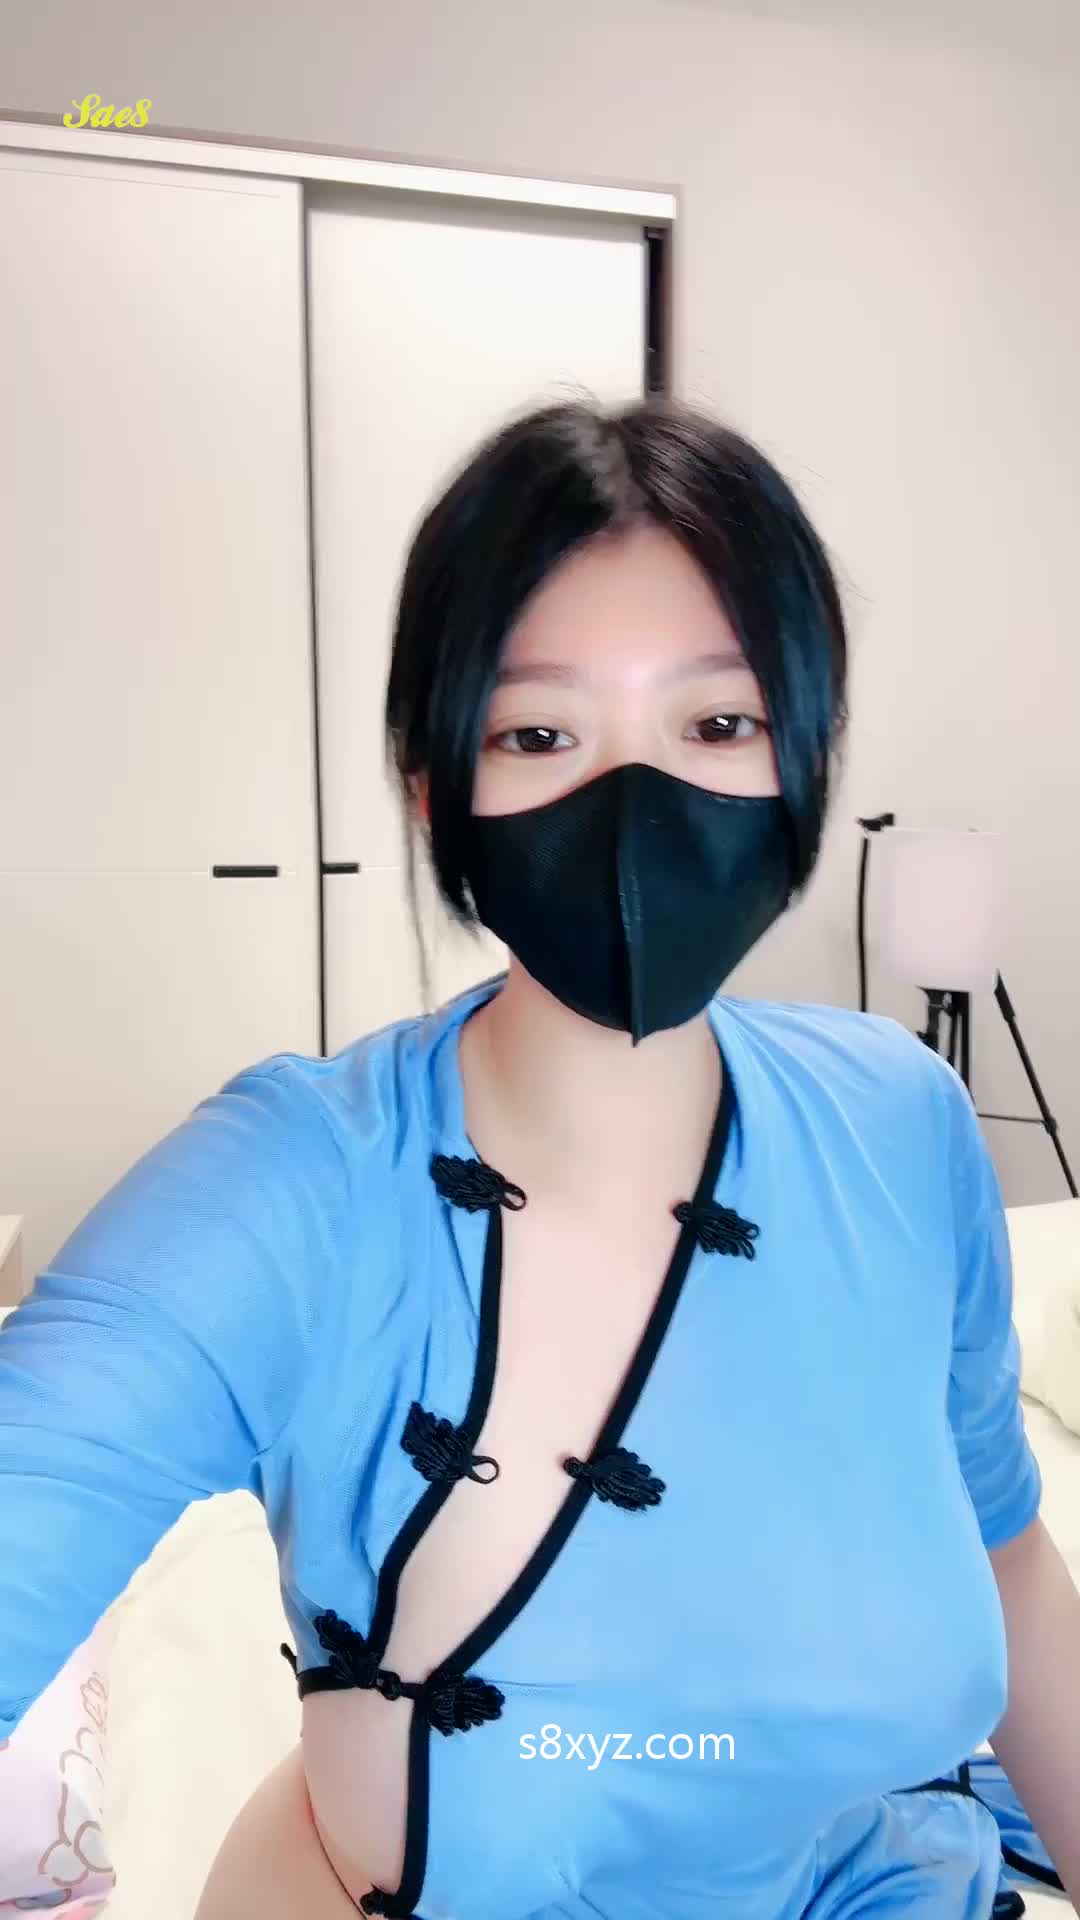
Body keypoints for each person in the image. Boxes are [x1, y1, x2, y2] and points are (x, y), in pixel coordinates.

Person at [1, 398, 1077, 1920]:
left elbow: (1009, 1554)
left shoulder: (903, 1120)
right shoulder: (292, 1189)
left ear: (808, 759)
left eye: (718, 725)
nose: (634, 807)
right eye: (538, 735)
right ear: (433, 788)